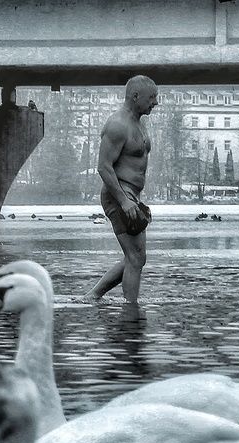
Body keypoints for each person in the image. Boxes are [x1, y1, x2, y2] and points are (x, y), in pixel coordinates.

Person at [83, 75, 158, 303]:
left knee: (136, 257)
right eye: (152, 98)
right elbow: (103, 168)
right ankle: (130, 310)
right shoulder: (117, 124)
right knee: (135, 258)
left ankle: (94, 295)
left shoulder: (137, 122)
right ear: (136, 97)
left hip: (130, 195)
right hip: (118, 195)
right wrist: (125, 201)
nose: (155, 102)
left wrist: (133, 198)